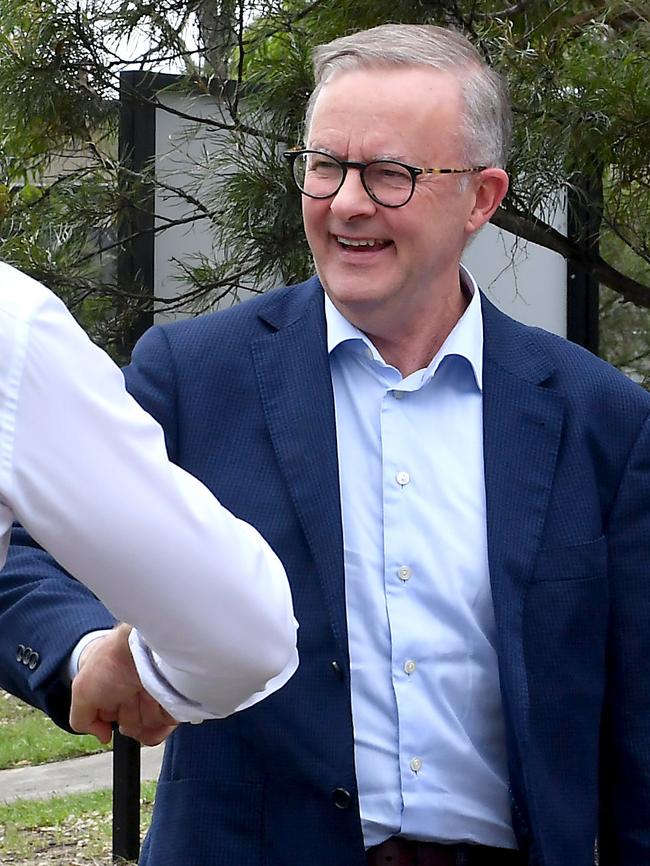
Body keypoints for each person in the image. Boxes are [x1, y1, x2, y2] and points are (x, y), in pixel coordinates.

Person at [1, 22, 649, 866]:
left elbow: (638, 730)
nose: (345, 201)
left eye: (390, 174)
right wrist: (83, 649)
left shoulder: (598, 418)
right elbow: (24, 545)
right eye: (325, 165)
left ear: (483, 199)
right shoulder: (195, 377)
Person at [0, 261, 298, 743]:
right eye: (324, 177)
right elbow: (242, 640)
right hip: (254, 810)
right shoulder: (13, 329)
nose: (347, 201)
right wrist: (96, 650)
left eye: (392, 177)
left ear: (471, 198)